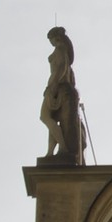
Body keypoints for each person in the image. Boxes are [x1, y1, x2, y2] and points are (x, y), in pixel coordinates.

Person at [40, 26, 84, 162]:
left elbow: (61, 68)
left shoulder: (60, 49)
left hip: (56, 88)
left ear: (55, 38)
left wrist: (53, 87)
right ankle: (51, 151)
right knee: (52, 119)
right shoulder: (63, 50)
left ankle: (63, 147)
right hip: (59, 87)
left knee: (45, 117)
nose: (51, 42)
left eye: (51, 39)